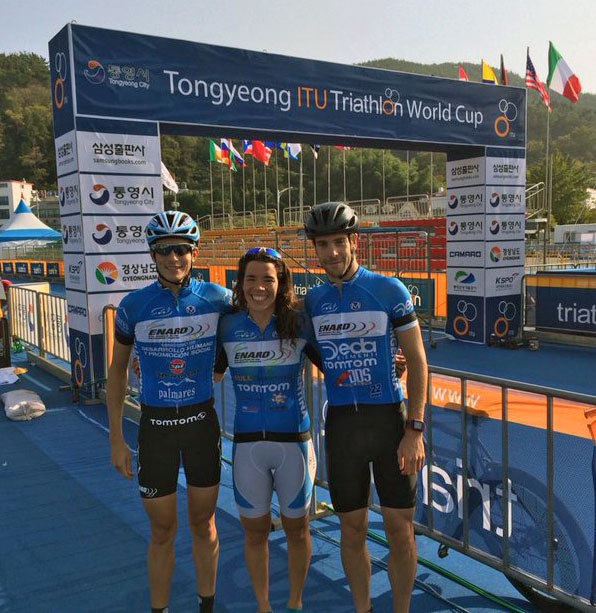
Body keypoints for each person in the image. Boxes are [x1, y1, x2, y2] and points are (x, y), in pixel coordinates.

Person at [303, 202, 428, 613]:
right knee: (352, 529)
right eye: (323, 244)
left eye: (339, 242)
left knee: (399, 530)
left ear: (354, 241)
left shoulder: (389, 290)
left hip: (389, 421)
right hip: (343, 426)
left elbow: (418, 361)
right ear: (315, 249)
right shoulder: (314, 300)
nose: (332, 252)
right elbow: (312, 350)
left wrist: (414, 430)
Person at [107, 211, 232, 613]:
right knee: (162, 530)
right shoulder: (134, 306)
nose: (173, 258)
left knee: (203, 524)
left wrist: (220, 365)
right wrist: (116, 439)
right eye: (164, 250)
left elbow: (264, 322)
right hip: (155, 428)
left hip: (200, 425)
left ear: (194, 253)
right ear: (152, 255)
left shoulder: (218, 299)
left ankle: (206, 606)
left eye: (181, 249)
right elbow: (117, 371)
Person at [214, 247, 321, 613]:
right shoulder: (228, 326)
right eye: (251, 279)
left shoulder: (298, 323)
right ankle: (263, 606)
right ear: (240, 283)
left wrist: (390, 364)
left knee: (298, 531)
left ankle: (295, 603)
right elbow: (210, 372)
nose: (258, 287)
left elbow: (338, 364)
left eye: (268, 280)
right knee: (255, 533)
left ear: (281, 284)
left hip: (294, 444)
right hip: (247, 448)